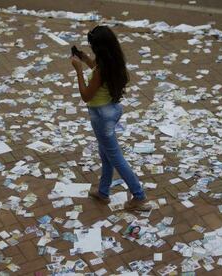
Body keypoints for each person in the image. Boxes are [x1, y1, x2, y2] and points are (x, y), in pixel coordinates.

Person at [70, 25, 151, 211]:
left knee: (115, 157)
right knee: (105, 154)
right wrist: (86, 59)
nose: (92, 49)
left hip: (101, 116)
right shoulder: (112, 60)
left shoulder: (101, 68)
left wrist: (78, 70)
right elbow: (98, 73)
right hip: (112, 110)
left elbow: (86, 96)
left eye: (93, 47)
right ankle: (103, 192)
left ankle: (139, 196)